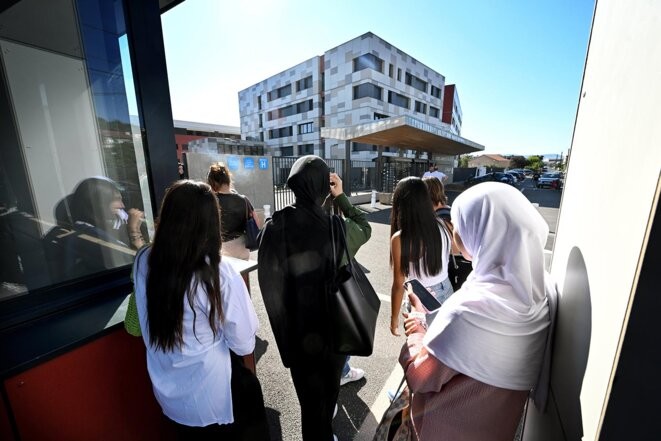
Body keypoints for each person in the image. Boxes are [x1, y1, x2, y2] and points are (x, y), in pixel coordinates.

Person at [399, 182, 557, 441]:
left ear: (482, 230)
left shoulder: (468, 312)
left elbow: (421, 377)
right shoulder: (538, 295)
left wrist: (417, 326)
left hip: (442, 431)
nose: (455, 230)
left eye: (460, 223)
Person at [133, 180, 269, 440]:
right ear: (210, 223)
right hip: (213, 396)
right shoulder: (218, 273)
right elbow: (243, 344)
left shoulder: (144, 261)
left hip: (169, 394)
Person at [257, 155, 371, 441]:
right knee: (327, 395)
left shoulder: (274, 227)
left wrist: (284, 339)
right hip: (333, 334)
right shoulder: (336, 228)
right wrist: (342, 197)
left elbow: (268, 285)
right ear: (324, 186)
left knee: (309, 403)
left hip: (296, 338)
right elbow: (365, 227)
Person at [44, 177, 145, 281]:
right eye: (117, 200)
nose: (122, 205)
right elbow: (142, 263)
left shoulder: (77, 229)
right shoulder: (90, 236)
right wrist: (134, 228)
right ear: (99, 203)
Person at [389, 177, 452, 336]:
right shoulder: (442, 224)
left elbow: (398, 284)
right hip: (446, 290)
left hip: (422, 298)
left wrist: (393, 319)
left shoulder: (401, 238)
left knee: (419, 348)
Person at [423, 177, 472, 291]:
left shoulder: (441, 218)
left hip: (454, 267)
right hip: (463, 266)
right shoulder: (449, 210)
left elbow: (455, 249)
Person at [207, 162, 261, 260]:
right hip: (240, 245)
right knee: (243, 273)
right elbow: (256, 222)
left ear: (212, 182)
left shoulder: (210, 201)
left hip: (219, 247)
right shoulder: (243, 199)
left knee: (224, 275)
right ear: (228, 180)